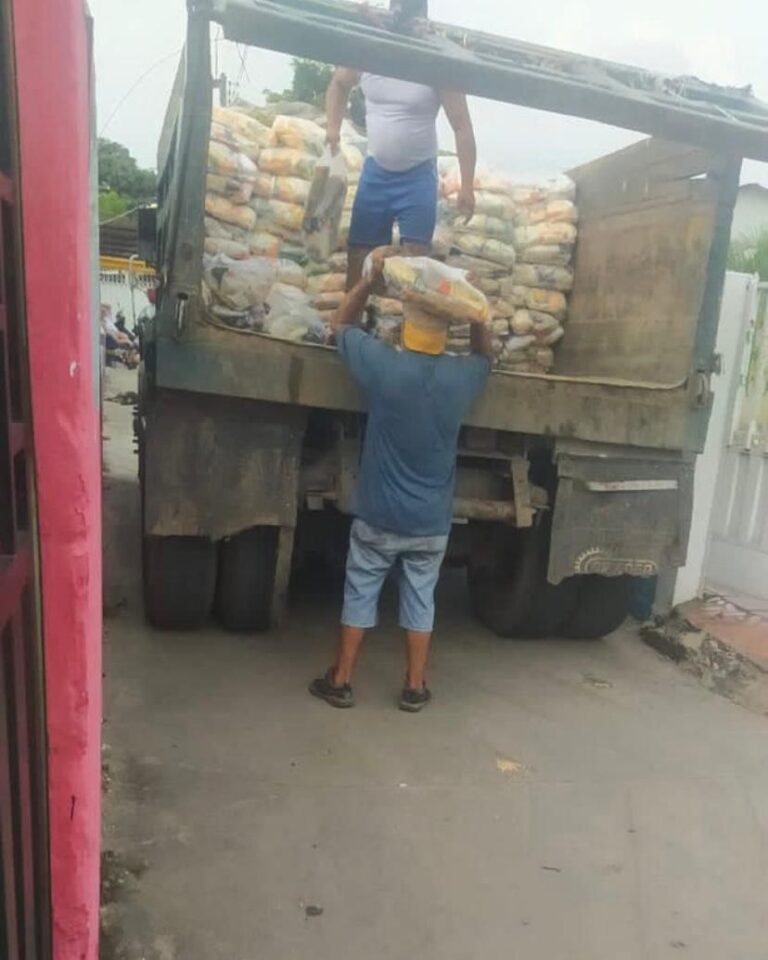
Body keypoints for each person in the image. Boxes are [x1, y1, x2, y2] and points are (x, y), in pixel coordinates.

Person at [310, 249, 494, 712]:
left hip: (378, 515)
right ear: (445, 331)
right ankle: (414, 686)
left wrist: (368, 282)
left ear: (407, 324)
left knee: (360, 590)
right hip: (430, 523)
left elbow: (340, 327)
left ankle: (342, 679)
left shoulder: (384, 365)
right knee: (421, 598)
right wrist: (476, 306)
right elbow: (484, 354)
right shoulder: (461, 378)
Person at [325, 0, 477, 292]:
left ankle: (405, 331)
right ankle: (349, 329)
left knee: (415, 264)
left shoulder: (436, 63)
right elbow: (339, 84)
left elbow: (462, 125)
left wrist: (467, 186)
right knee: (359, 257)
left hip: (418, 178)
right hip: (376, 174)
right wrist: (332, 129)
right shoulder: (369, 51)